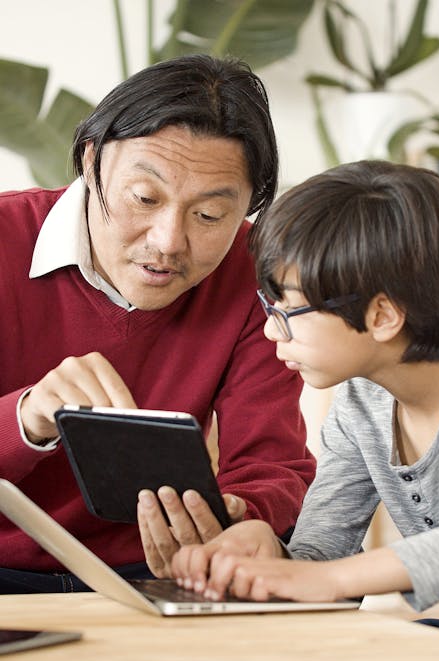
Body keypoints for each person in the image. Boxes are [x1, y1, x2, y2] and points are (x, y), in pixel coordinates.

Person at [0, 54, 315, 594]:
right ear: (91, 160)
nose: (169, 241)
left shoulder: (254, 273)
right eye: (145, 198)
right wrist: (27, 418)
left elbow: (272, 464)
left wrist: (243, 516)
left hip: (161, 579)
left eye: (210, 216)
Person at [171, 160, 439, 641]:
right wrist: (272, 556)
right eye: (269, 306)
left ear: (383, 315)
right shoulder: (361, 404)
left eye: (288, 309)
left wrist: (331, 578)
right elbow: (322, 559)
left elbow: (333, 579)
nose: (268, 329)